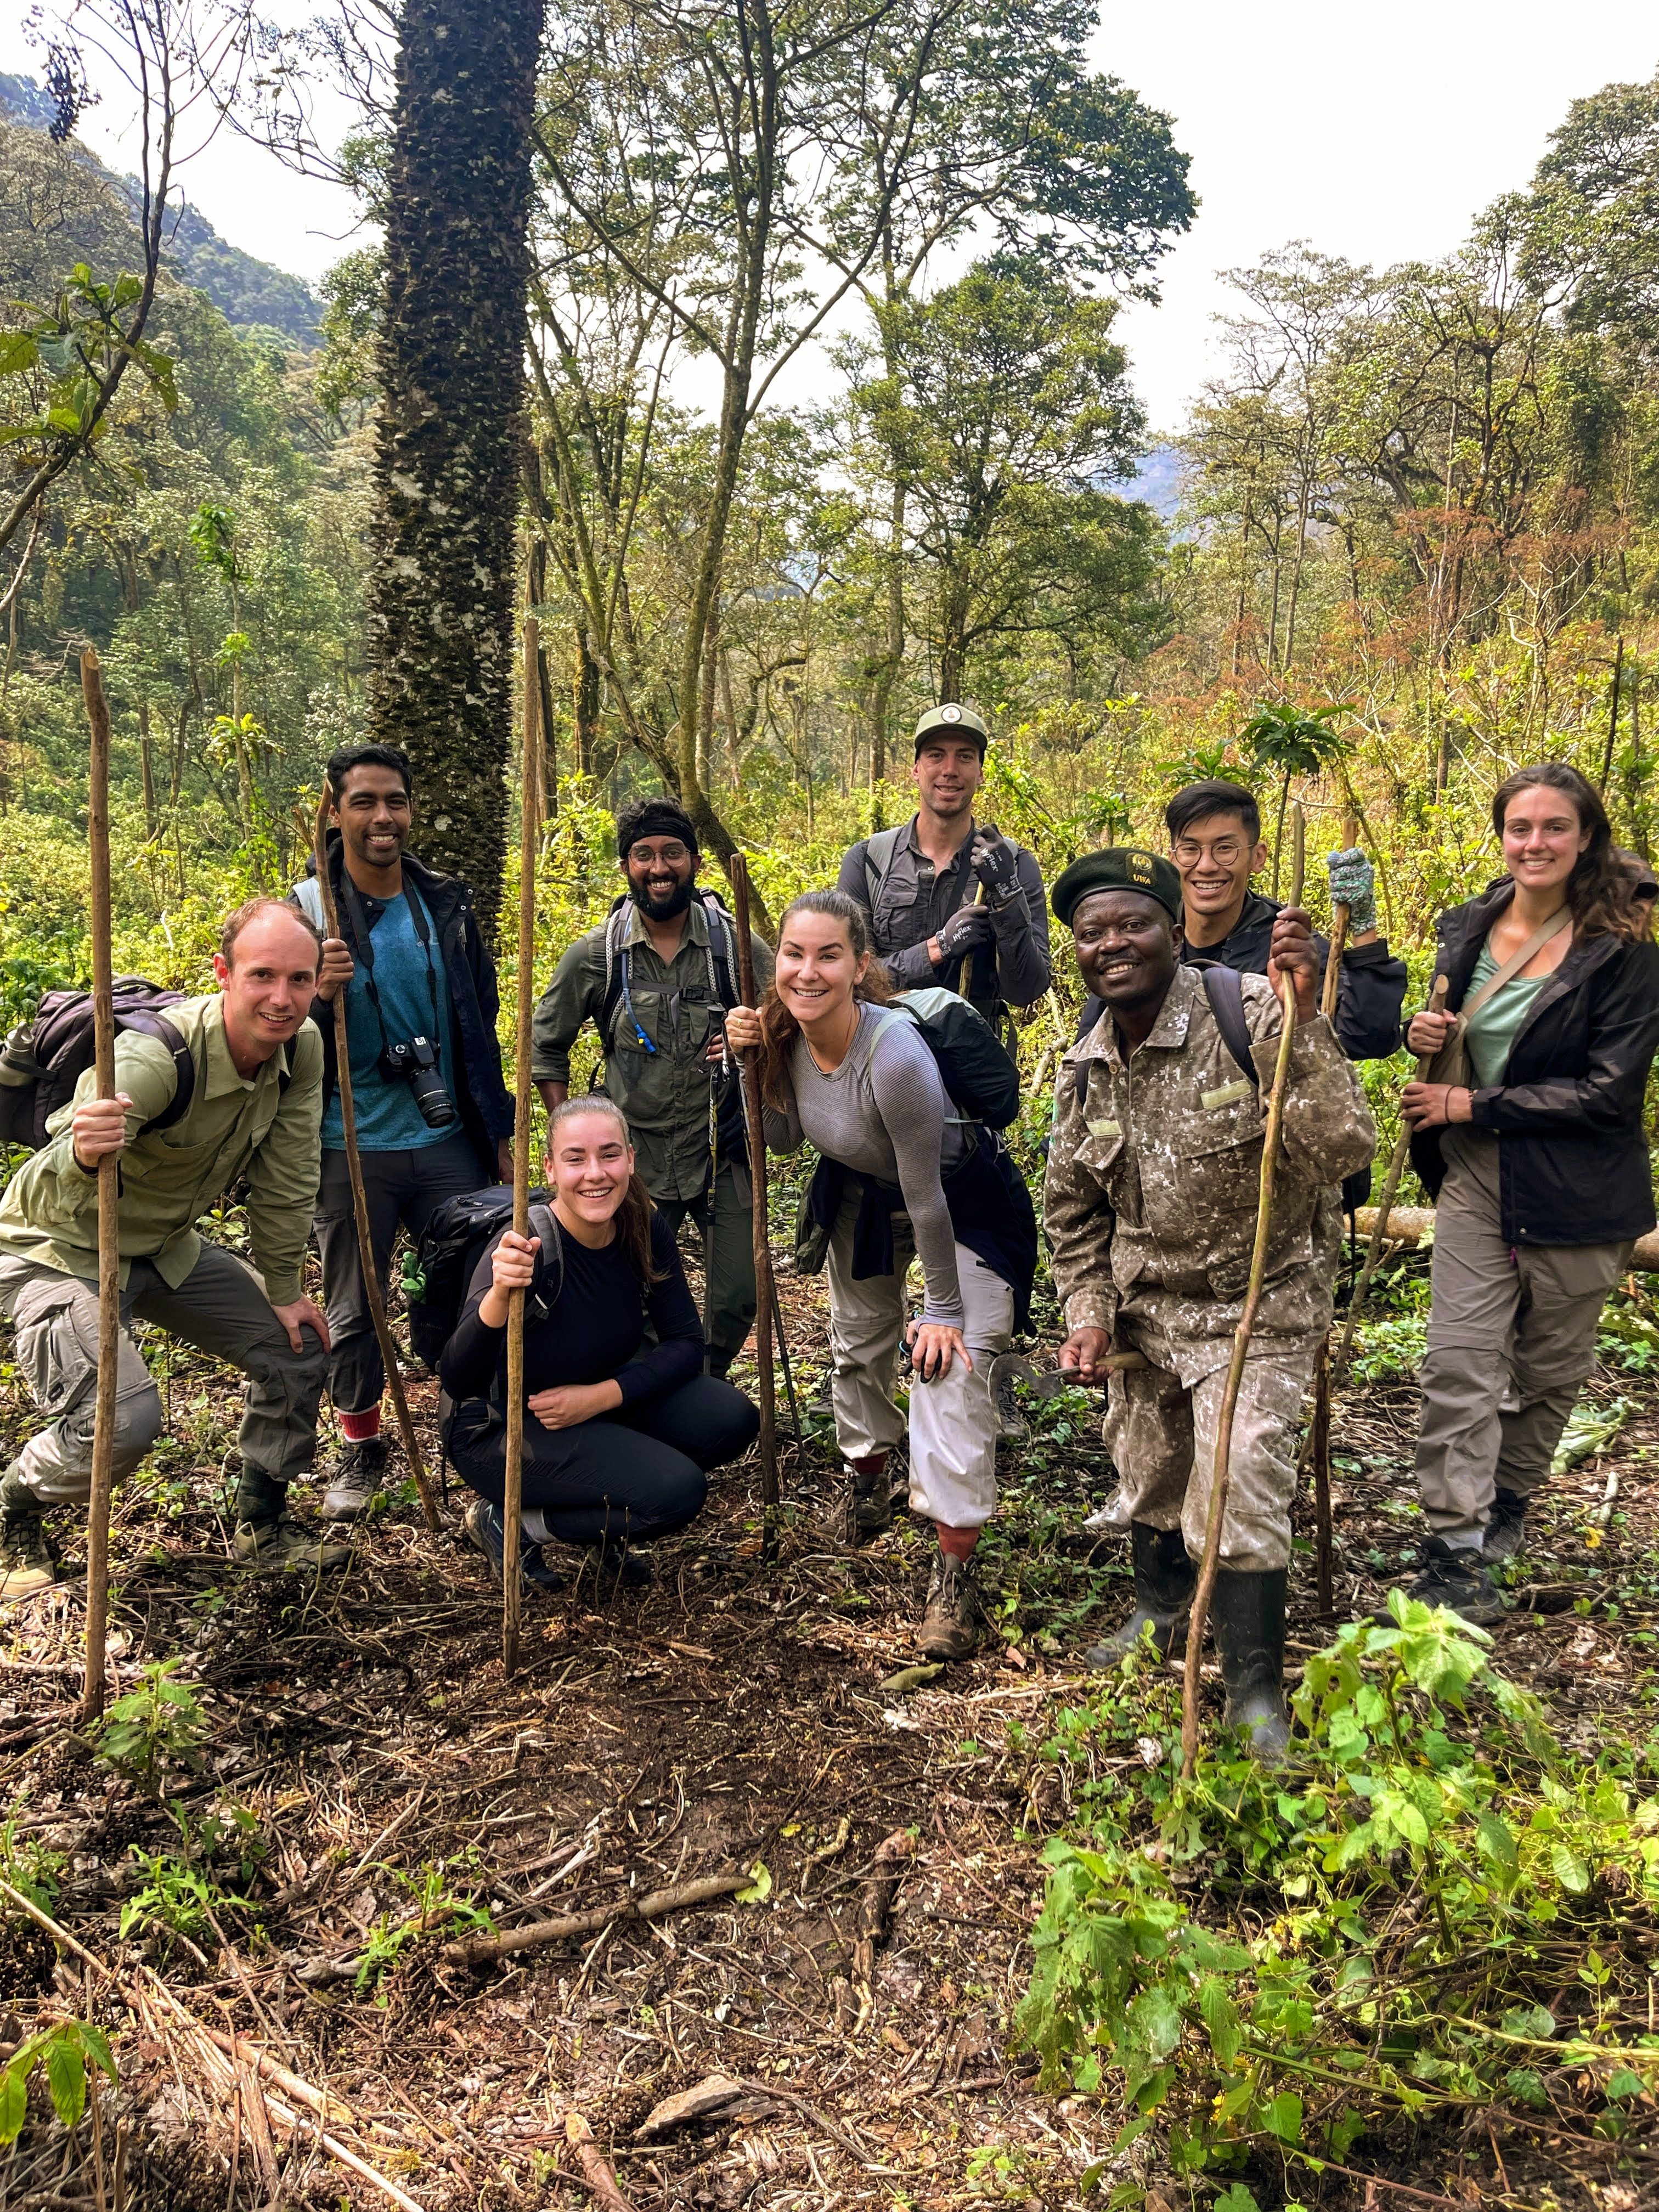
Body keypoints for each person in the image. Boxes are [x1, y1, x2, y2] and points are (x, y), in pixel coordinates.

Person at [1043, 849, 1375, 1756]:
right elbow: (1072, 1210)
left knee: (1237, 1481)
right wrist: (1087, 1315)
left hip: (1257, 1303)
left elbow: (1344, 1147)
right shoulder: (1085, 1066)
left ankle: (1253, 1689)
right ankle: (1158, 1615)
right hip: (1148, 1310)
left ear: (1172, 932)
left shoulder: (1253, 1011)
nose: (1113, 944)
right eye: (1093, 932)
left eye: (1133, 924)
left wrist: (1303, 1031)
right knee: (1149, 1468)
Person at [0, 900, 348, 1598]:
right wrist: (82, 1150)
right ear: (223, 973)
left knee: (297, 1346)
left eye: (299, 979)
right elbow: (43, 1182)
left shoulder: (302, 1047)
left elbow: (287, 1180)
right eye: (262, 976)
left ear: (318, 982)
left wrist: (284, 1290)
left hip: (163, 1247)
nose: (281, 999)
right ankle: (15, 1503)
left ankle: (261, 1523)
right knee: (123, 1423)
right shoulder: (156, 1058)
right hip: (58, 1249)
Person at [723, 890, 1037, 1663]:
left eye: (828, 955)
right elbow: (784, 1139)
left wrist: (944, 1311)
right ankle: (869, 1484)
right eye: (794, 954)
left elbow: (929, 1199)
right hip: (862, 1196)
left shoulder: (893, 1055)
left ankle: (953, 1572)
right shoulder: (784, 1034)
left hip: (962, 1204)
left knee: (947, 1367)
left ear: (860, 965)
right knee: (858, 1343)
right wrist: (749, 1065)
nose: (808, 971)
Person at [1399, 764, 1659, 1622]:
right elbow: (1454, 1034)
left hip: (1580, 1190)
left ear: (1586, 838)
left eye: (1555, 827)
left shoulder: (1624, 946)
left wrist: (1472, 1103)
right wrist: (1426, 1033)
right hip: (1478, 1170)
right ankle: (1454, 1547)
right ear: (1501, 834)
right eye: (1520, 827)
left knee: (1548, 1376)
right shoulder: (1470, 924)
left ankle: (1506, 1502)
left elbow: (1610, 1093)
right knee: (1460, 1363)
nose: (1535, 843)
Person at [292, 741, 515, 1521]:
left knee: (476, 1290)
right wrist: (319, 997)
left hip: (445, 1138)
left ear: (412, 809)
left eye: (395, 801)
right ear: (334, 812)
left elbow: (479, 1018)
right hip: (347, 1144)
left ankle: (474, 1432)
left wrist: (499, 1130)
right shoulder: (306, 909)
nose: (382, 817)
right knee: (355, 1307)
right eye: (364, 801)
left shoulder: (443, 903)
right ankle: (361, 1446)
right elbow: (272, 1027)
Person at [439, 1095, 757, 1587]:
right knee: (675, 1493)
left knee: (731, 1418)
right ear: (550, 1168)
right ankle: (510, 1523)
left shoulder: (641, 1225)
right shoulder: (525, 1245)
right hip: (500, 1430)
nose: (595, 1174)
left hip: (588, 1402)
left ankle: (592, 1506)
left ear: (630, 1158)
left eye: (609, 1155)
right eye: (575, 1159)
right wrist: (500, 1295)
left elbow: (685, 1343)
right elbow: (459, 1380)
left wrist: (600, 1397)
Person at [531, 798, 772, 1380]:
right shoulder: (597, 955)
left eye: (672, 853)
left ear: (695, 863)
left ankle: (703, 1381)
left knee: (740, 1292)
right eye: (644, 855)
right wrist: (575, 1142)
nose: (659, 868)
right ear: (626, 866)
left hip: (722, 1152)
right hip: (632, 1161)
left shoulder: (736, 950)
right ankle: (643, 1390)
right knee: (629, 1296)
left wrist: (758, 1034)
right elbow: (545, 1048)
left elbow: (794, 1022)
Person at [1075, 779, 1407, 1076]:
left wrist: (1362, 924)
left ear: (1258, 857)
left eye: (1225, 849)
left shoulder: (1283, 941)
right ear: (1172, 859)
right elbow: (1089, 1052)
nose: (1206, 866)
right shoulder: (1146, 936)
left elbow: (1367, 1038)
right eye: (1190, 850)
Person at [837, 703, 1051, 1051]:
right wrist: (938, 948)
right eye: (936, 756)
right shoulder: (868, 861)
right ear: (916, 769)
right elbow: (847, 977)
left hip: (976, 1060)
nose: (950, 770)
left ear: (980, 773)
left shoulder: (1015, 862)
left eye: (965, 757)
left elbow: (1027, 989)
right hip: (882, 1052)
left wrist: (1006, 893)